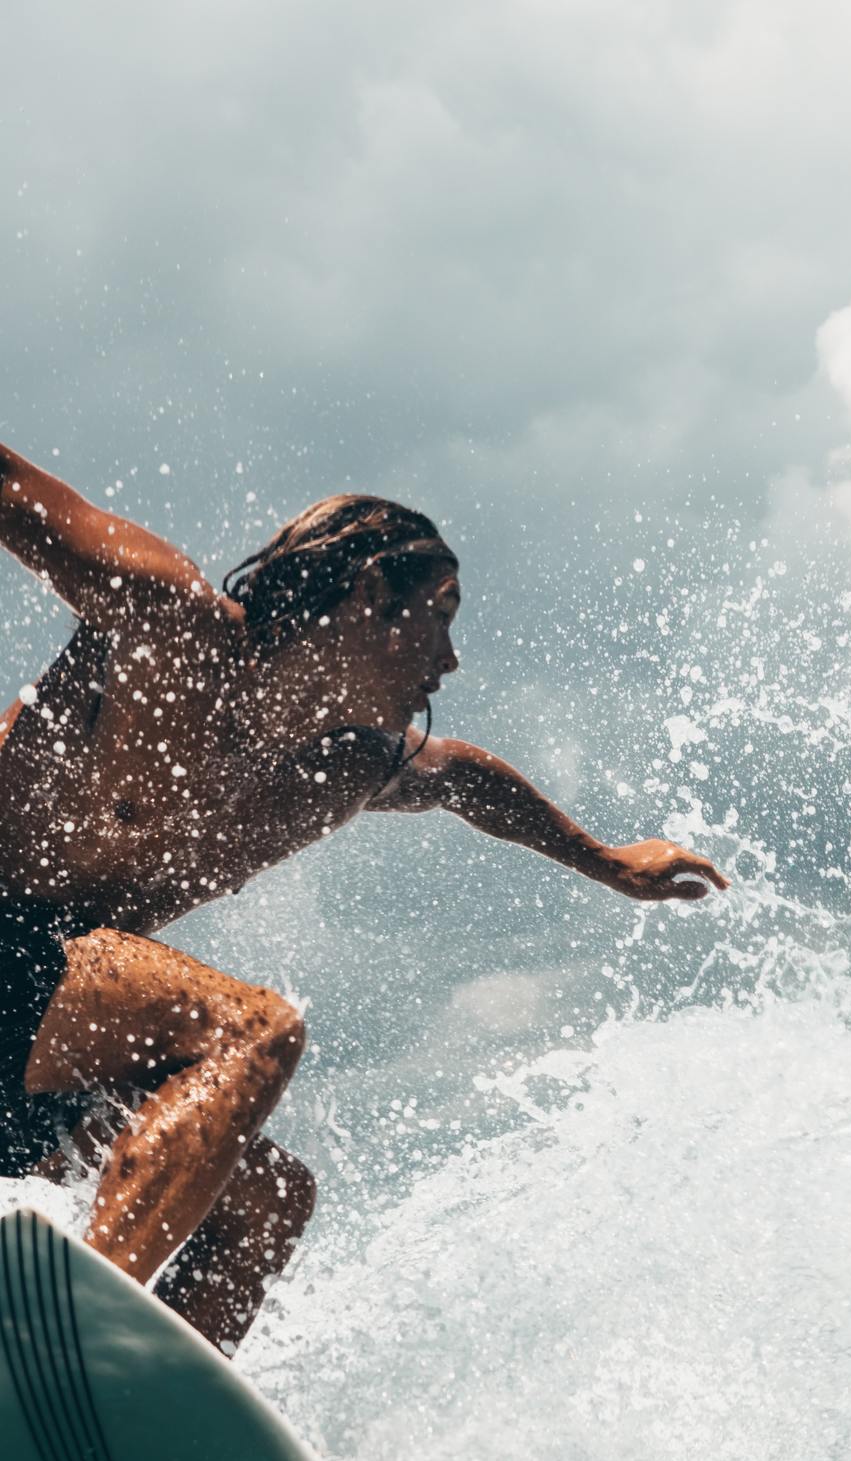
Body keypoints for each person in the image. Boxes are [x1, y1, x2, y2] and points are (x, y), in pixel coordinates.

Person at [0, 442, 729, 1354]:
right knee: (254, 1030)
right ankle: (71, 1345)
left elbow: (464, 781)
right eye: (441, 616)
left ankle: (133, 1430)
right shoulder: (172, 629)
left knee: (268, 1204)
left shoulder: (337, 769)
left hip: (34, 1033)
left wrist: (611, 863)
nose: (453, 660)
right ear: (367, 594)